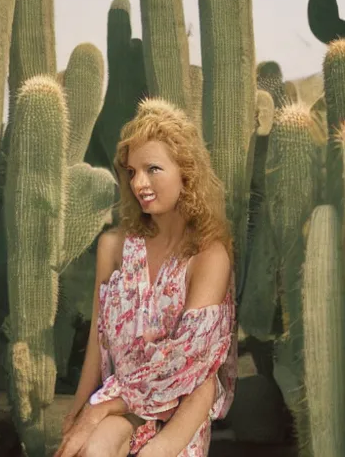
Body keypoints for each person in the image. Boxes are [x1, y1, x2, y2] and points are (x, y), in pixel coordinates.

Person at [58, 99, 236, 457]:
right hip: (120, 400)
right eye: (132, 171)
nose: (140, 183)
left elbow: (187, 362)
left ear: (186, 171)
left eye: (153, 169)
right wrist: (79, 411)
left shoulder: (209, 256)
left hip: (178, 409)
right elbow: (99, 339)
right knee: (88, 450)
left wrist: (103, 407)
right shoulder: (114, 247)